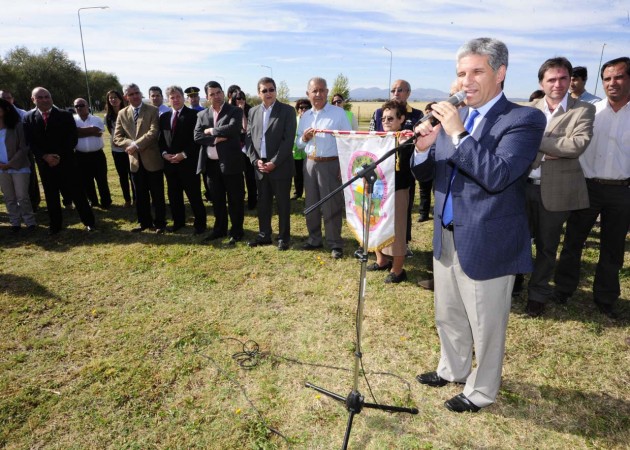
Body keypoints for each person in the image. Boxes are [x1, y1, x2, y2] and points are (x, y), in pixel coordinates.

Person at [412, 38, 546, 413]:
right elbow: (429, 174)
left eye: (476, 72)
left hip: (489, 239)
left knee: (486, 324)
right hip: (447, 231)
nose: (465, 81)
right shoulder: (455, 119)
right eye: (460, 73)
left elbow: (499, 175)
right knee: (448, 312)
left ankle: (482, 390)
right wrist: (424, 147)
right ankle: (452, 367)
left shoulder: (523, 119)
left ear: (500, 73)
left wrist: (458, 133)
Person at [554, 57, 630, 319]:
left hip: (622, 191)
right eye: (607, 79)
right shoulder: (591, 112)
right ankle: (563, 289)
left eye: (618, 77)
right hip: (587, 187)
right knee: (573, 240)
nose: (612, 83)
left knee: (613, 247)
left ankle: (606, 298)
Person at [523, 57, 595, 318]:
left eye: (563, 78)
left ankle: (538, 294)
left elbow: (576, 146)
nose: (557, 84)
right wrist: (554, 146)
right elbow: (518, 145)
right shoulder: (529, 109)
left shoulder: (583, 110)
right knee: (518, 239)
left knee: (546, 246)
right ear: (542, 82)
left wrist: (537, 142)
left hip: (556, 191)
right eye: (551, 79)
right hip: (523, 186)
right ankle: (515, 284)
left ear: (570, 80)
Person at [23, 87, 96, 234]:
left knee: (78, 193)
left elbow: (72, 139)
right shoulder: (28, 118)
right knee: (51, 195)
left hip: (67, 162)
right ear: (33, 99)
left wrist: (57, 156)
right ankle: (55, 225)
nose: (44, 99)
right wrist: (45, 156)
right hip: (45, 164)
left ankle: (89, 222)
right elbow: (30, 142)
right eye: (40, 97)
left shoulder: (64, 115)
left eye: (47, 96)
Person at [296, 77, 351, 259]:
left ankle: (335, 243)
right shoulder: (305, 117)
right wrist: (304, 139)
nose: (318, 94)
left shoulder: (338, 114)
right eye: (314, 91)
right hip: (310, 163)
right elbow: (299, 143)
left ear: (327, 92)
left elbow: (347, 141)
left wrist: (343, 166)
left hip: (331, 163)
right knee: (311, 203)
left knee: (331, 204)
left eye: (321, 90)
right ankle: (314, 239)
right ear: (308, 94)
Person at [370, 79, 424, 254]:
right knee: (380, 212)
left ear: (408, 93)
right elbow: (372, 138)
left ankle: (403, 244)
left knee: (402, 213)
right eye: (393, 90)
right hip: (382, 174)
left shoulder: (417, 115)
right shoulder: (378, 113)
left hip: (404, 175)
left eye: (400, 90)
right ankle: (382, 249)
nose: (396, 93)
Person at [246, 77, 297, 250]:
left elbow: (288, 141)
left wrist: (274, 162)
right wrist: (255, 160)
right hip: (260, 166)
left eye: (271, 89)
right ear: (259, 93)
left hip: (280, 166)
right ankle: (264, 234)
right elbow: (248, 139)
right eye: (264, 90)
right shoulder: (253, 112)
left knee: (283, 203)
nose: (268, 93)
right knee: (263, 203)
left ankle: (284, 237)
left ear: (275, 91)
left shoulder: (287, 111)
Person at [366, 100, 413, 283]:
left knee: (397, 229)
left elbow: (408, 167)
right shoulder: (378, 138)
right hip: (378, 189)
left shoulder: (407, 139)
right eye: (383, 118)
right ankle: (381, 260)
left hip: (397, 190)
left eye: (390, 118)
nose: (385, 121)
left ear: (401, 119)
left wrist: (403, 146)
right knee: (376, 224)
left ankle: (398, 270)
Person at [194, 81, 244, 245]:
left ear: (223, 93)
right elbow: (197, 136)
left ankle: (236, 231)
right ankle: (219, 229)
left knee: (235, 199)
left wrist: (212, 131)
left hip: (231, 163)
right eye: (212, 94)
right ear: (207, 97)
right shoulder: (202, 115)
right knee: (217, 200)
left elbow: (234, 129)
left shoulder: (235, 111)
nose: (216, 96)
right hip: (211, 165)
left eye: (218, 92)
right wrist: (216, 139)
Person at [114, 83, 166, 234]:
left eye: (137, 92)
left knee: (157, 195)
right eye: (131, 94)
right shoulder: (122, 113)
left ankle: (160, 223)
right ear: (126, 97)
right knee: (140, 195)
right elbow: (117, 137)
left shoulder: (152, 110)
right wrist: (131, 145)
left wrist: (135, 145)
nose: (135, 96)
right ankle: (144, 223)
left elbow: (153, 132)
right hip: (135, 162)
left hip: (153, 160)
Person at [158, 85, 207, 235]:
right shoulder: (164, 117)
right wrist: (164, 153)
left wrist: (184, 154)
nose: (176, 100)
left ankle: (200, 224)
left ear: (183, 98)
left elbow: (197, 141)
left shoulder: (193, 115)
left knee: (194, 196)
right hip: (170, 164)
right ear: (168, 99)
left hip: (188, 163)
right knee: (174, 196)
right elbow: (161, 140)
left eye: (178, 96)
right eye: (172, 97)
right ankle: (178, 222)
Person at [0, 98, 36, 232]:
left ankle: (29, 221)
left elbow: (24, 148)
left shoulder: (18, 126)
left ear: (5, 109)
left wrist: (10, 163)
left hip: (19, 166)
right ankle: (15, 222)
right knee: (9, 197)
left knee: (22, 196)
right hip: (1, 169)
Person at [73, 97, 112, 209]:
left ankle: (106, 201)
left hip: (97, 155)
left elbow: (96, 130)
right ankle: (93, 201)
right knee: (86, 181)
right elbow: (91, 132)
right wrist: (91, 131)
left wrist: (78, 131)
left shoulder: (96, 119)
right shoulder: (72, 120)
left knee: (101, 180)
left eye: (82, 105)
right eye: (77, 106)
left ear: (87, 106)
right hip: (80, 155)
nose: (79, 108)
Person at [104, 90, 134, 208]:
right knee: (122, 176)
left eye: (115, 97)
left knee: (133, 175)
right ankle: (127, 200)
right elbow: (111, 133)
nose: (113, 100)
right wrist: (116, 142)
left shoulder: (128, 112)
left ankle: (137, 198)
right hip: (117, 151)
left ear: (121, 99)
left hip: (130, 149)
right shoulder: (108, 116)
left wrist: (125, 143)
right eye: (110, 98)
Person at [229, 89, 257, 210]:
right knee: (237, 177)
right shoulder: (229, 111)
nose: (240, 101)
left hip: (248, 147)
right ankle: (239, 201)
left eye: (242, 98)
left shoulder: (250, 110)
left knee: (250, 176)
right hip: (235, 147)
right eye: (238, 99)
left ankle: (252, 201)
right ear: (233, 100)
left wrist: (242, 112)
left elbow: (246, 128)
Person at [291, 98, 311, 200]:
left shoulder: (312, 119)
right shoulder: (294, 120)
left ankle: (310, 194)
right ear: (297, 109)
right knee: (298, 174)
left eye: (306, 107)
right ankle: (298, 192)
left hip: (309, 153)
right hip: (296, 152)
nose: (303, 109)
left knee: (309, 175)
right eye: (301, 107)